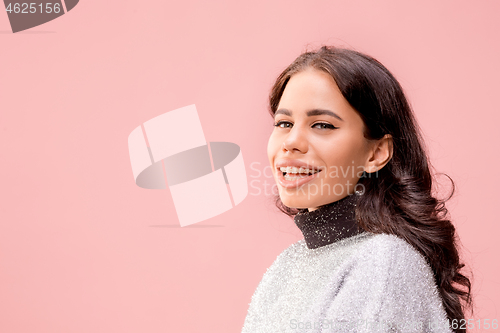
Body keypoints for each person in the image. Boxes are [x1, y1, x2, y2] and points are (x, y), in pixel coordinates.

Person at [241, 46, 473, 333]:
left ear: (376, 153)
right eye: (284, 123)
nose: (291, 142)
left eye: (322, 125)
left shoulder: (383, 262)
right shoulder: (287, 265)